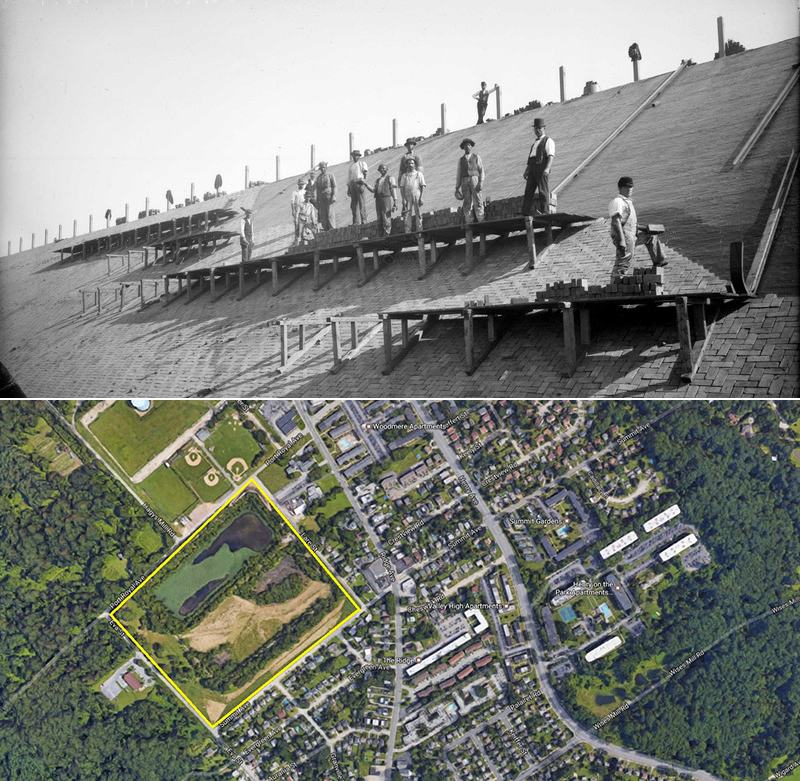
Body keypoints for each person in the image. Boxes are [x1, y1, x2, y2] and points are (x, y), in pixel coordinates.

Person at [608, 176, 668, 280]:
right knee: (624, 260)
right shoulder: (618, 201)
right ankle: (615, 283)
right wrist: (621, 240)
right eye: (626, 187)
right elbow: (615, 221)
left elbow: (631, 223)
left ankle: (659, 262)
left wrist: (645, 229)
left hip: (632, 235)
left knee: (650, 237)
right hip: (624, 236)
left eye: (631, 187)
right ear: (620, 188)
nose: (629, 189)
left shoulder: (628, 202)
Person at [522, 118, 555, 216]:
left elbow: (550, 156)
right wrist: (526, 170)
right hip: (532, 168)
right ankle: (525, 212)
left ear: (544, 128)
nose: (537, 130)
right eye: (536, 128)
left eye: (540, 128)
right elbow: (531, 157)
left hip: (541, 167)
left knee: (542, 190)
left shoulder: (548, 141)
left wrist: (547, 168)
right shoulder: (534, 143)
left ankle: (544, 211)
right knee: (528, 191)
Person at [363, 164, 398, 236]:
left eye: (384, 168)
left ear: (387, 169)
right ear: (379, 170)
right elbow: (373, 190)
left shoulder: (390, 178)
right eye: (381, 169)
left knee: (386, 215)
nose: (382, 170)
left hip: (386, 198)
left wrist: (395, 201)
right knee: (379, 216)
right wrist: (366, 184)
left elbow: (393, 190)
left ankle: (387, 232)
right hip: (378, 199)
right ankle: (381, 232)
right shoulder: (377, 180)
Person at [455, 138, 485, 223]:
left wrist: (481, 182)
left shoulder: (476, 157)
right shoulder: (460, 160)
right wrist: (457, 187)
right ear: (463, 148)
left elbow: (481, 170)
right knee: (467, 202)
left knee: (478, 199)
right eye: (465, 145)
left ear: (471, 146)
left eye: (469, 145)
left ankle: (481, 219)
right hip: (464, 181)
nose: (467, 147)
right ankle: (469, 221)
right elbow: (458, 173)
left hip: (474, 179)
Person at [399, 158, 425, 233]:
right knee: (407, 214)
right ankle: (408, 232)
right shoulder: (404, 176)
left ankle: (420, 231)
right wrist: (403, 199)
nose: (410, 165)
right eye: (409, 163)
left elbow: (423, 185)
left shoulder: (419, 174)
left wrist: (421, 197)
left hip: (417, 194)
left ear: (415, 165)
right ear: (406, 165)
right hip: (407, 196)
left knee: (418, 213)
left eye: (412, 163)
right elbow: (401, 188)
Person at [347, 150, 369, 225]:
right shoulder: (351, 166)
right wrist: (349, 188)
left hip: (359, 183)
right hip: (352, 184)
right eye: (353, 155)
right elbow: (349, 178)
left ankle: (364, 220)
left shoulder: (362, 163)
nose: (355, 157)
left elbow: (366, 174)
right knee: (353, 204)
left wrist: (363, 184)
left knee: (361, 203)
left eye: (356, 155)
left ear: (359, 156)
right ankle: (356, 221)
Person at [314, 161, 337, 231]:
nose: (322, 169)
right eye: (321, 168)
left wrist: (334, 196)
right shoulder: (318, 178)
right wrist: (317, 200)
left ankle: (332, 227)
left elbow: (335, 186)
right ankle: (325, 227)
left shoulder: (330, 175)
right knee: (323, 214)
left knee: (330, 212)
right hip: (321, 198)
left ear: (326, 167)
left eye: (323, 167)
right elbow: (317, 190)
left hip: (329, 197)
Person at [291, 178, 307, 244]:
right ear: (298, 185)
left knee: (305, 224)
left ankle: (304, 238)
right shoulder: (295, 192)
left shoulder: (305, 192)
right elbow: (292, 202)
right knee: (297, 224)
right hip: (297, 208)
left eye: (302, 184)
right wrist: (293, 210)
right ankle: (297, 239)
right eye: (300, 184)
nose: (301, 186)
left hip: (304, 209)